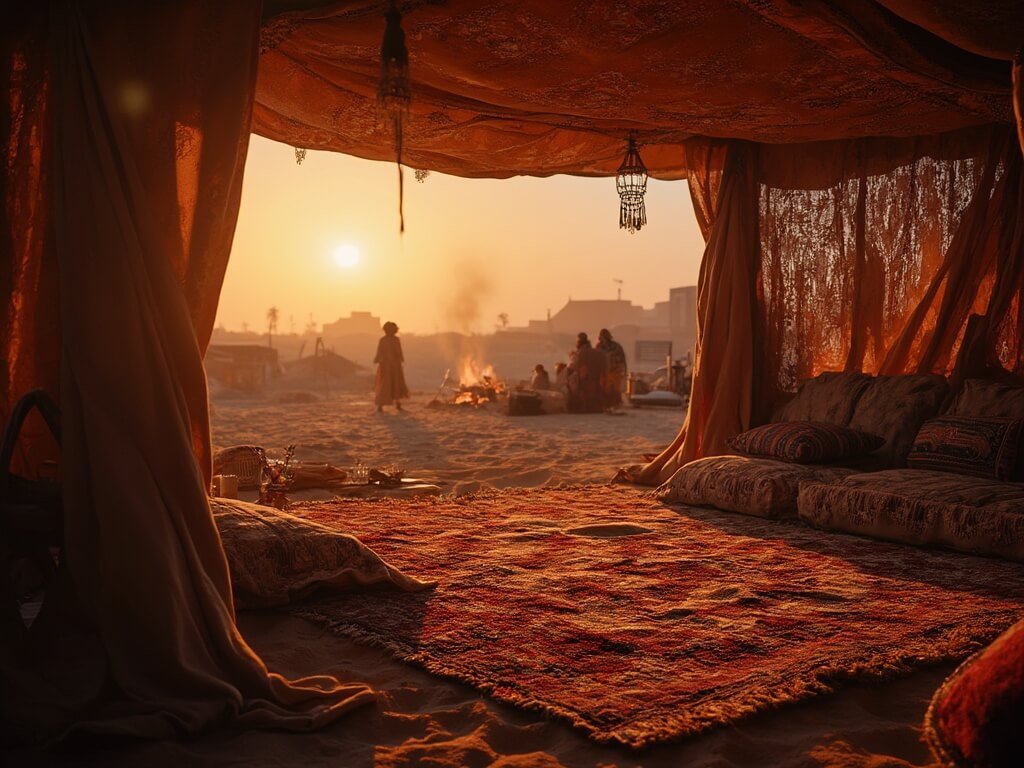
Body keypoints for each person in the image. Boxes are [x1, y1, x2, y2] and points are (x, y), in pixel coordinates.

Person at [374, 321, 409, 412]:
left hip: (389, 365)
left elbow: (380, 352)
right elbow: (399, 353)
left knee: (388, 384)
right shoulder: (393, 340)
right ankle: (392, 404)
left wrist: (377, 359)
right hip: (391, 365)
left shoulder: (385, 340)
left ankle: (384, 405)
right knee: (392, 383)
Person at [571, 332, 607, 413]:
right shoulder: (598, 352)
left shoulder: (582, 353)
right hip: (598, 378)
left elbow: (582, 368)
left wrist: (580, 380)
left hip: (588, 378)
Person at [596, 328, 627, 408]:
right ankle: (608, 403)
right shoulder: (599, 346)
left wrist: (624, 370)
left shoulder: (615, 346)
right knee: (605, 389)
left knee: (614, 389)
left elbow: (622, 358)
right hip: (605, 372)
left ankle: (614, 403)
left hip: (614, 371)